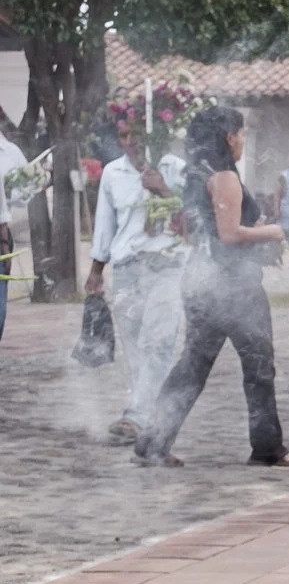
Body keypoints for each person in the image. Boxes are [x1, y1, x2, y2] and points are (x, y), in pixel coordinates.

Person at [136, 107, 289, 468]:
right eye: (242, 134)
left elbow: (194, 231)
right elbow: (230, 235)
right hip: (235, 287)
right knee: (259, 367)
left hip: (201, 282)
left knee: (192, 365)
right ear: (229, 135)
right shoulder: (225, 177)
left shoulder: (196, 176)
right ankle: (267, 448)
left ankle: (153, 442)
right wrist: (272, 231)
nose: (244, 141)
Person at [88, 122, 188, 443]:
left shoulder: (175, 168)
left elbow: (193, 219)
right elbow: (105, 224)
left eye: (136, 134)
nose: (129, 142)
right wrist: (96, 269)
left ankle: (137, 416)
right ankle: (146, 410)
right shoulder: (112, 174)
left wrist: (164, 190)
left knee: (158, 342)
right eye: (123, 135)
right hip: (127, 269)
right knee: (134, 346)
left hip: (166, 266)